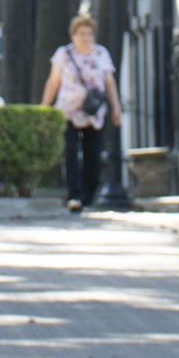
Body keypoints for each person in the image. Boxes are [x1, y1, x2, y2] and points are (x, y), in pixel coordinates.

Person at [40, 12, 122, 212]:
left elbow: (109, 82)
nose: (85, 37)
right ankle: (74, 195)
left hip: (93, 113)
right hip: (68, 110)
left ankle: (88, 196)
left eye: (89, 33)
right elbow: (53, 82)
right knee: (70, 151)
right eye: (81, 33)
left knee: (92, 156)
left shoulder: (101, 54)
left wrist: (116, 107)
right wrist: (44, 107)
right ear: (73, 35)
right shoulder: (64, 54)